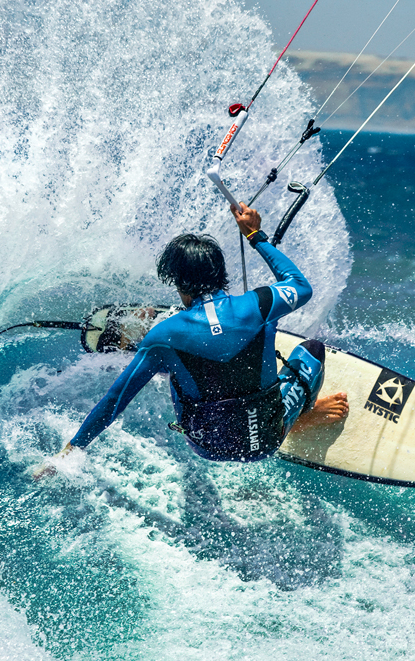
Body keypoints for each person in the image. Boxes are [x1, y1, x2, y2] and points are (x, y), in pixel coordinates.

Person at [33, 202, 347, 478]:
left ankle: (168, 365)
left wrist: (72, 449)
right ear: (221, 273)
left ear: (178, 283)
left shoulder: (163, 337)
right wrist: (255, 235)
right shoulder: (260, 304)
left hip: (207, 445)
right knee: (311, 350)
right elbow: (300, 286)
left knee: (173, 363)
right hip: (266, 439)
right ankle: (299, 413)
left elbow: (114, 402)